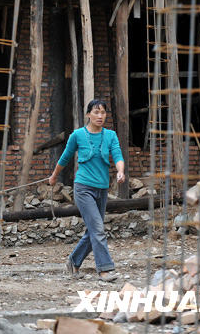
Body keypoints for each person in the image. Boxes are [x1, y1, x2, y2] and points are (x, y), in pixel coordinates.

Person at [48, 99, 125, 282]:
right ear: (88, 114)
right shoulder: (77, 135)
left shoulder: (111, 135)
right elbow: (65, 157)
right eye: (96, 112)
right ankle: (105, 270)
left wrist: (121, 171)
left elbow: (117, 155)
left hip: (102, 189)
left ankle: (73, 261)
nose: (100, 116)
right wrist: (54, 176)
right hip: (83, 188)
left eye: (103, 112)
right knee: (98, 228)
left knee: (93, 230)